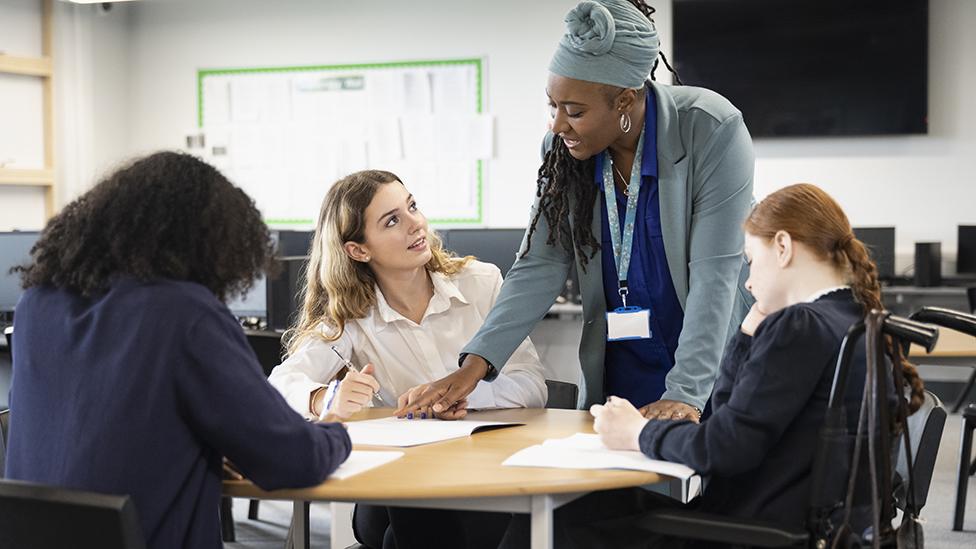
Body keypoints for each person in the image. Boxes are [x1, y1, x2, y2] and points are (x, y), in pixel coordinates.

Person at [397, 0, 754, 424]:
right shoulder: (563, 153)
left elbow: (716, 273)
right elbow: (539, 263)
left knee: (715, 483)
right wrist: (474, 366)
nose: (557, 125)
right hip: (622, 365)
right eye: (553, 106)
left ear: (624, 100)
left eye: (575, 111)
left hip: (708, 364)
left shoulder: (709, 128)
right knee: (622, 488)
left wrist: (686, 394)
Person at [4, 152, 351, 549]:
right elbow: (293, 459)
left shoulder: (36, 304)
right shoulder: (185, 314)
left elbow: (96, 427)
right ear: (208, 243)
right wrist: (337, 433)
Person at [559, 183, 926, 548]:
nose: (748, 283)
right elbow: (725, 422)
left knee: (568, 516)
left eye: (750, 261)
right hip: (805, 526)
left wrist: (636, 432)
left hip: (751, 532)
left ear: (782, 247)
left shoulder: (800, 326)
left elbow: (722, 448)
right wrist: (746, 335)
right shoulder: (857, 320)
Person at [268, 169, 546, 548]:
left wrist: (463, 395)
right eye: (393, 220)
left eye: (412, 206)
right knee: (417, 512)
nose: (416, 223)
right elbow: (281, 383)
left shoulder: (481, 284)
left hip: (480, 473)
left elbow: (532, 385)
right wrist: (325, 398)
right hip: (396, 485)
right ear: (359, 250)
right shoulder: (351, 314)